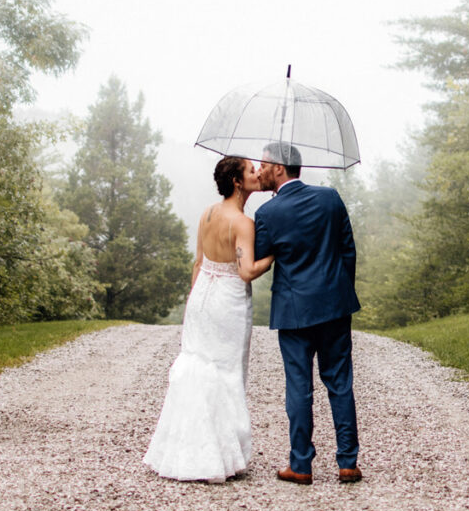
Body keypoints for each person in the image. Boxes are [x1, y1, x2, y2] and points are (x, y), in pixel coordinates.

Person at [143, 156, 272, 483]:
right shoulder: (243, 223)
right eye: (250, 170)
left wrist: (194, 303)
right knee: (225, 370)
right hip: (227, 300)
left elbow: (198, 263)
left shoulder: (207, 214)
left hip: (201, 298)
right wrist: (275, 254)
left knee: (197, 363)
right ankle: (218, 455)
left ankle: (185, 450)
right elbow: (246, 272)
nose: (257, 172)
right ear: (237, 182)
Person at [254, 142, 362, 485]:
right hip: (334, 305)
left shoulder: (268, 214)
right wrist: (339, 291)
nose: (259, 171)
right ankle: (348, 463)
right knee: (340, 384)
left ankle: (301, 465)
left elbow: (261, 257)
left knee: (299, 387)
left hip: (294, 311)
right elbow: (348, 250)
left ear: (280, 169)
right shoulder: (330, 198)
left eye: (263, 165)